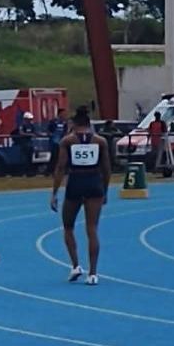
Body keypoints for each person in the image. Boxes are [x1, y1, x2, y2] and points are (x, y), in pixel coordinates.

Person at [51, 106, 111, 285]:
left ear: (75, 124)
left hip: (76, 182)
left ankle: (76, 265)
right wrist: (105, 190)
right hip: (94, 183)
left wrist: (54, 192)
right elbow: (106, 169)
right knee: (92, 229)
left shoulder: (67, 141)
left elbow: (61, 167)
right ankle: (93, 273)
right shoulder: (100, 141)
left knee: (68, 226)